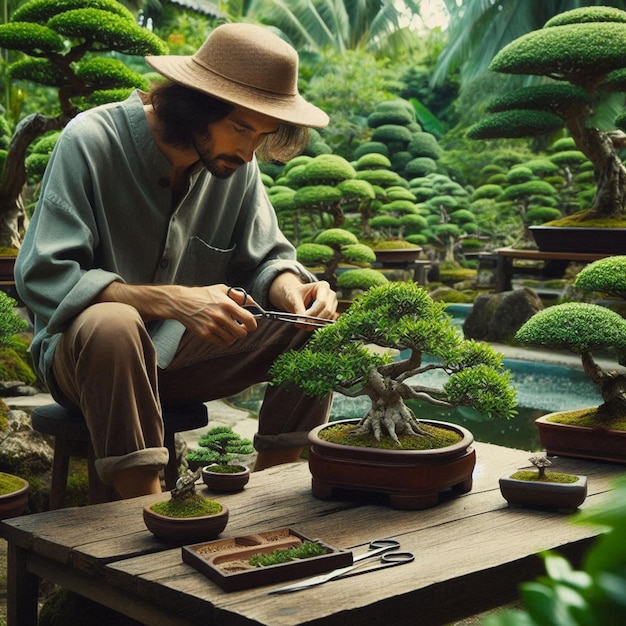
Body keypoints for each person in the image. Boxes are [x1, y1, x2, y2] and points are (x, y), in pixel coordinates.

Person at [15, 23, 337, 499]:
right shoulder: (90, 140)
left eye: (263, 135)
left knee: (314, 329)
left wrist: (293, 291)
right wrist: (174, 302)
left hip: (181, 361)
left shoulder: (234, 167)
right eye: (241, 128)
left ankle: (273, 494)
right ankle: (145, 519)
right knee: (113, 324)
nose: (250, 154)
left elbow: (267, 258)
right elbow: (43, 274)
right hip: (88, 361)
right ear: (195, 105)